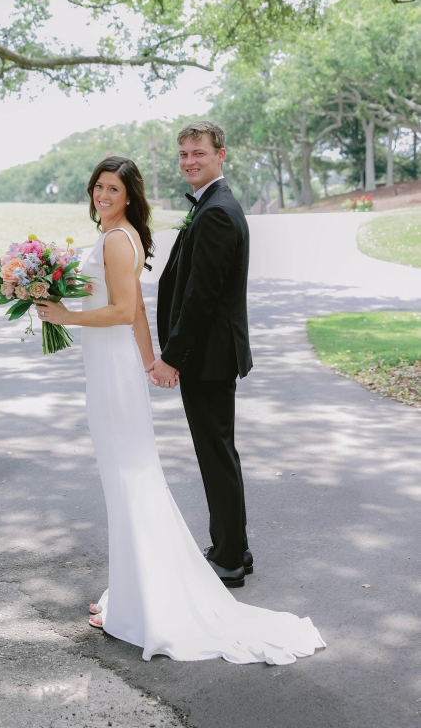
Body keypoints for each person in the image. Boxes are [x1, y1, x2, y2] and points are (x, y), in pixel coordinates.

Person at [36, 155, 325, 664]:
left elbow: (123, 311)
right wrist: (150, 360)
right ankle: (131, 594)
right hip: (113, 367)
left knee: (128, 477)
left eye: (113, 190)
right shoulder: (116, 237)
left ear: (129, 197)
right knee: (126, 477)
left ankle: (142, 603)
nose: (103, 196)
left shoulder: (117, 239)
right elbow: (138, 313)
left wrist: (64, 315)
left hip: (111, 374)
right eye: (98, 187)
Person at [148, 120, 251, 587]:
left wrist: (172, 356)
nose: (190, 161)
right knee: (219, 452)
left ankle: (228, 558)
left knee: (215, 455)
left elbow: (200, 297)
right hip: (211, 355)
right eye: (184, 154)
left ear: (220, 155)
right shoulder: (212, 204)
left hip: (207, 357)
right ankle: (234, 547)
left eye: (199, 153)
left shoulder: (215, 212)